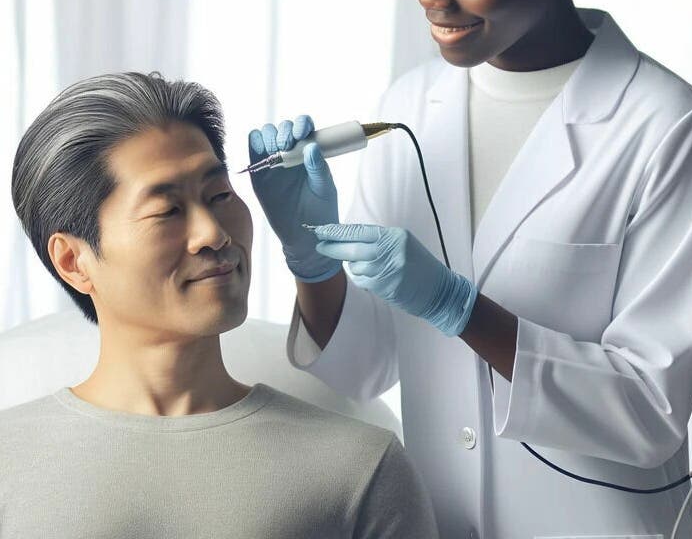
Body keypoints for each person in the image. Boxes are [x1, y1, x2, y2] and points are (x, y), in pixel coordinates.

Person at [248, 0, 692, 538]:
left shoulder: (667, 125)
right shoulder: (408, 107)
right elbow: (364, 368)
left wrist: (461, 310)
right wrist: (313, 261)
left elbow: (650, 411)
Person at [1, 72, 438, 538]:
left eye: (220, 195)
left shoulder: (359, 469)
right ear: (73, 262)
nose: (214, 233)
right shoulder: (10, 462)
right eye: (167, 211)